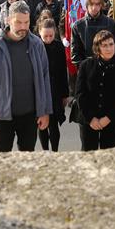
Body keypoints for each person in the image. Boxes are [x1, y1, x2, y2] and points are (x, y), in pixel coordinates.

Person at [0, 1, 53, 152]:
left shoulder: (37, 44)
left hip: (29, 116)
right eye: (18, 22)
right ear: (8, 20)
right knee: (3, 160)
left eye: (26, 22)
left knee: (26, 159)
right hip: (1, 117)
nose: (23, 27)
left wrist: (45, 111)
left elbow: (45, 79)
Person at [75, 30, 115, 151]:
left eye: (111, 44)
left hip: (111, 120)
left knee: (108, 157)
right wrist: (91, 118)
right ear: (97, 48)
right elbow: (80, 93)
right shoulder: (86, 65)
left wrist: (108, 118)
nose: (109, 48)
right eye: (104, 45)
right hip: (88, 119)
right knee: (88, 156)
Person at [37, 19, 69, 151]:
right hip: (39, 91)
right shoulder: (35, 46)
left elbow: (63, 71)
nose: (48, 39)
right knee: (42, 125)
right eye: (45, 36)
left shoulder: (58, 47)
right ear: (39, 33)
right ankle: (45, 151)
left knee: (53, 125)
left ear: (55, 33)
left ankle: (55, 152)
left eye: (51, 35)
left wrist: (65, 94)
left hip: (55, 91)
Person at [70, 0, 115, 65]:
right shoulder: (78, 26)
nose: (94, 7)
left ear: (101, 5)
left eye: (97, 4)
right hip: (87, 69)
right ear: (87, 5)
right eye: (91, 4)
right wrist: (85, 68)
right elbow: (75, 54)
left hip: (108, 67)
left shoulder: (112, 23)